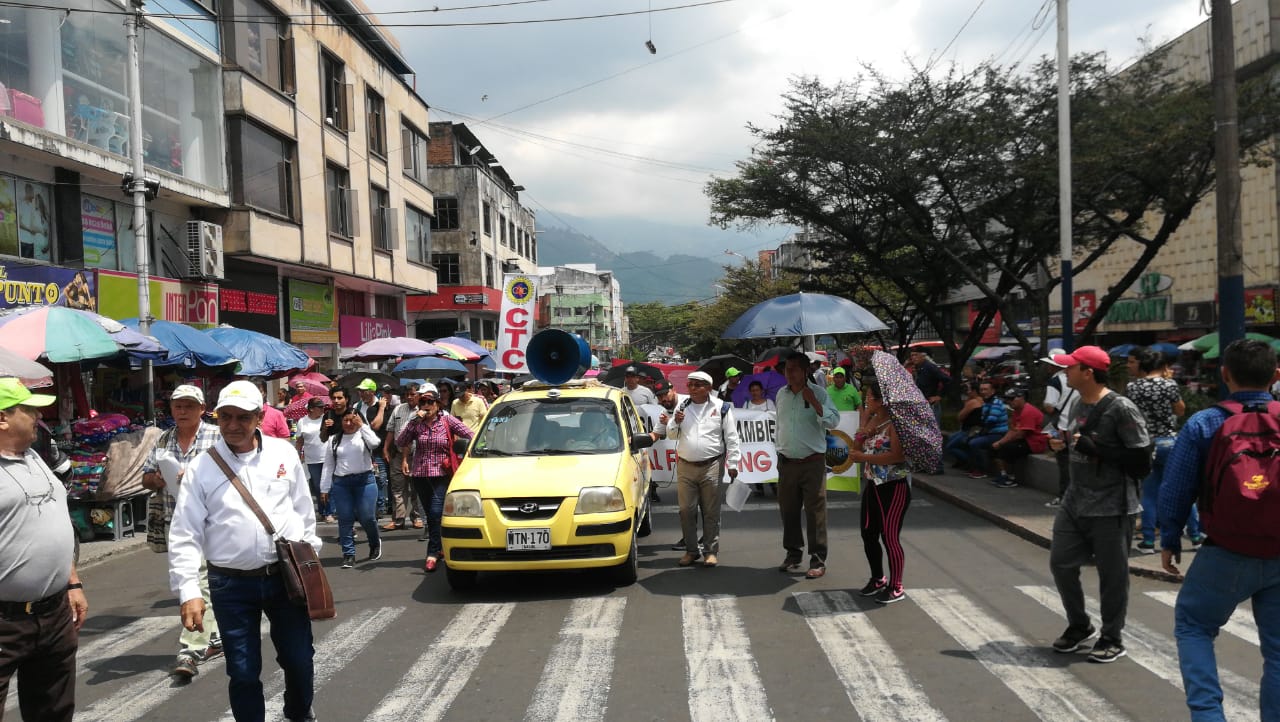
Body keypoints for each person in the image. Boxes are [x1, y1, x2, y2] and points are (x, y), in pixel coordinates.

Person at [167, 380, 320, 722]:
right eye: (225, 417)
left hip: (285, 578)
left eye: (242, 418)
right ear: (217, 417)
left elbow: (302, 509)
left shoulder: (284, 454)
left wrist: (309, 560)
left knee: (299, 659)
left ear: (259, 416)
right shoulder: (200, 469)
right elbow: (184, 532)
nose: (233, 426)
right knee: (243, 670)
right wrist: (189, 590)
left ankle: (299, 713)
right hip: (230, 585)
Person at [1158, 338, 1280, 721]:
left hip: (1225, 551)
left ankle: (1208, 715)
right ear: (1276, 376)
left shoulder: (1205, 422)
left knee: (1194, 626)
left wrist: (1170, 537)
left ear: (1224, 376)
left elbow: (1176, 488)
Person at [1046, 345, 1149, 664]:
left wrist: (1099, 450)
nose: (1065, 372)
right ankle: (1080, 625)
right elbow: (1081, 442)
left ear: (1088, 372)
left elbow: (1142, 461)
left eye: (1071, 367)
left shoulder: (1121, 408)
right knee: (1060, 562)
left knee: (1112, 574)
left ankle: (1112, 636)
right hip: (1076, 500)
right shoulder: (1077, 400)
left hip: (1111, 505)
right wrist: (1063, 446)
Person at [0, 379, 87, 722]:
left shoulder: (34, 454)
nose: (38, 416)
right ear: (2, 419)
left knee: (53, 710)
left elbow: (52, 520)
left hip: (53, 614)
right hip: (5, 620)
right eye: (29, 409)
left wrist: (72, 581)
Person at [140, 385, 223, 678]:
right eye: (178, 406)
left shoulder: (217, 435)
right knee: (197, 580)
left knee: (203, 581)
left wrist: (198, 476)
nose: (183, 411)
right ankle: (211, 638)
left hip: (214, 521)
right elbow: (146, 478)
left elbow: (236, 471)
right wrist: (159, 478)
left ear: (202, 409)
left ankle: (191, 648)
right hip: (178, 524)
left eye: (189, 405)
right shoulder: (164, 440)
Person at [660, 371, 740, 568]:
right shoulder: (682, 406)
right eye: (690, 385)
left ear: (708, 388)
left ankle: (710, 551)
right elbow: (671, 435)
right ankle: (691, 551)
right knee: (686, 511)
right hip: (686, 465)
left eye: (697, 385)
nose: (692, 389)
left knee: (711, 511)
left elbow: (732, 437)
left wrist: (733, 463)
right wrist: (675, 421)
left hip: (712, 465)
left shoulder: (722, 407)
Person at [774, 351, 841, 578]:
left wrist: (814, 403)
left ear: (805, 371)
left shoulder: (819, 393)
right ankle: (793, 554)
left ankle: (818, 559)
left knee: (815, 512)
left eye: (793, 369)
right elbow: (780, 426)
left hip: (812, 463)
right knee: (788, 511)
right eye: (786, 369)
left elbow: (833, 421)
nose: (789, 373)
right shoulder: (781, 395)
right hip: (787, 463)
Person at [1126, 347, 1197, 554]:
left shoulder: (1132, 387)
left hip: (1145, 444)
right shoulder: (1169, 385)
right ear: (1164, 366)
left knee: (1148, 493)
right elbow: (1180, 409)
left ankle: (1148, 540)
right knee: (1182, 490)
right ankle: (1195, 535)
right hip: (1169, 441)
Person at [847, 377, 911, 604]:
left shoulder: (896, 424)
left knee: (890, 537)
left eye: (869, 397)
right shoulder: (874, 421)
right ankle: (878, 578)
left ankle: (897, 586)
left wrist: (865, 455)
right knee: (868, 533)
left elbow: (897, 456)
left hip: (894, 487)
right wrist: (863, 427)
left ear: (881, 400)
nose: (866, 400)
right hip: (873, 485)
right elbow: (855, 452)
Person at [396, 389, 473, 574]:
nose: (426, 406)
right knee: (431, 516)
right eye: (423, 402)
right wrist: (414, 420)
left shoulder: (446, 420)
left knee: (436, 512)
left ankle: (431, 553)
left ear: (437, 404)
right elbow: (400, 441)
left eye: (430, 402)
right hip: (421, 475)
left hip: (441, 474)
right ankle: (440, 548)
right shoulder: (416, 424)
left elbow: (470, 434)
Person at [320, 406, 382, 568]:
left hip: (365, 480)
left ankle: (375, 543)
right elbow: (328, 465)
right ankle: (348, 554)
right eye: (345, 420)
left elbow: (376, 443)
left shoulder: (363, 434)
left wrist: (362, 425)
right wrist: (324, 488)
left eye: (352, 420)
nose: (348, 423)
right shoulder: (334, 439)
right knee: (345, 519)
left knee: (367, 517)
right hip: (342, 483)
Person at [382, 384, 424, 532]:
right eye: (407, 394)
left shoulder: (424, 410)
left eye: (413, 394)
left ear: (419, 395)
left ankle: (417, 517)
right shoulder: (398, 409)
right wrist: (386, 448)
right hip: (398, 454)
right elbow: (391, 430)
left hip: (418, 455)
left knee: (416, 488)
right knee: (397, 488)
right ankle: (398, 519)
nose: (410, 397)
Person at [989, 387, 1048, 489]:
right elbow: (1012, 430)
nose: (1009, 402)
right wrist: (999, 442)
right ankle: (1003, 475)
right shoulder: (1017, 411)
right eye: (1007, 399)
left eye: (1011, 399)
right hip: (1026, 439)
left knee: (1007, 448)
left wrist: (1001, 443)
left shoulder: (1028, 411)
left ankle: (1009, 477)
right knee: (997, 447)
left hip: (1035, 442)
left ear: (1021, 398)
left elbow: (1020, 433)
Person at [1040, 351, 1077, 508]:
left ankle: (1064, 498)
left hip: (1062, 428)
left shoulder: (1056, 381)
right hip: (1080, 428)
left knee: (1064, 465)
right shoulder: (1079, 378)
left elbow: (1049, 407)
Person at [353, 379, 391, 518]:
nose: (361, 393)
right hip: (362, 448)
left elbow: (376, 425)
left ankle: (380, 506)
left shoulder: (381, 405)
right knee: (367, 478)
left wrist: (381, 408)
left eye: (364, 391)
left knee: (380, 478)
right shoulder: (357, 406)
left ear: (372, 391)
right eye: (360, 390)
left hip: (378, 448)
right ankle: (369, 507)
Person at [295, 397, 335, 523]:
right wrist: (297, 454)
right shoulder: (302, 421)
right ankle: (322, 511)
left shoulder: (327, 419)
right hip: (312, 459)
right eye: (320, 407)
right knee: (317, 486)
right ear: (311, 409)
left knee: (328, 485)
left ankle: (329, 512)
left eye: (323, 407)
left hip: (327, 456)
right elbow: (300, 440)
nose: (323, 409)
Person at [963, 381, 1009, 478]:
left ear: (992, 391)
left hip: (998, 434)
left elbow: (990, 421)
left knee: (974, 443)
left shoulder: (996, 403)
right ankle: (972, 467)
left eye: (985, 389)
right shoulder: (987, 403)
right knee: (968, 440)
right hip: (989, 432)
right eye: (981, 390)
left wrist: (980, 432)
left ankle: (982, 470)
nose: (983, 392)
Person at [910, 349, 951, 428]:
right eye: (912, 355)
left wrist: (939, 396)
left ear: (923, 356)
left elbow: (947, 380)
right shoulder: (919, 368)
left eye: (916, 355)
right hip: (921, 403)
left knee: (932, 431)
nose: (913, 357)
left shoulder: (930, 367)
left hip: (931, 403)